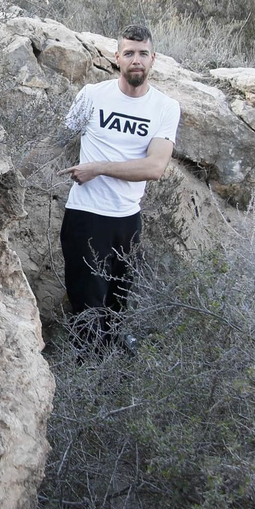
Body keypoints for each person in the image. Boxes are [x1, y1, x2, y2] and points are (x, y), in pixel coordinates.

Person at [58, 24, 180, 348]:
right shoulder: (93, 96)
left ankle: (110, 388)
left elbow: (155, 167)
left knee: (117, 313)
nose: (135, 60)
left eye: (142, 54)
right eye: (129, 53)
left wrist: (98, 167)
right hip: (86, 217)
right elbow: (57, 141)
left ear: (153, 58)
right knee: (87, 313)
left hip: (128, 221)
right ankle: (85, 387)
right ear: (117, 58)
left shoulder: (165, 107)